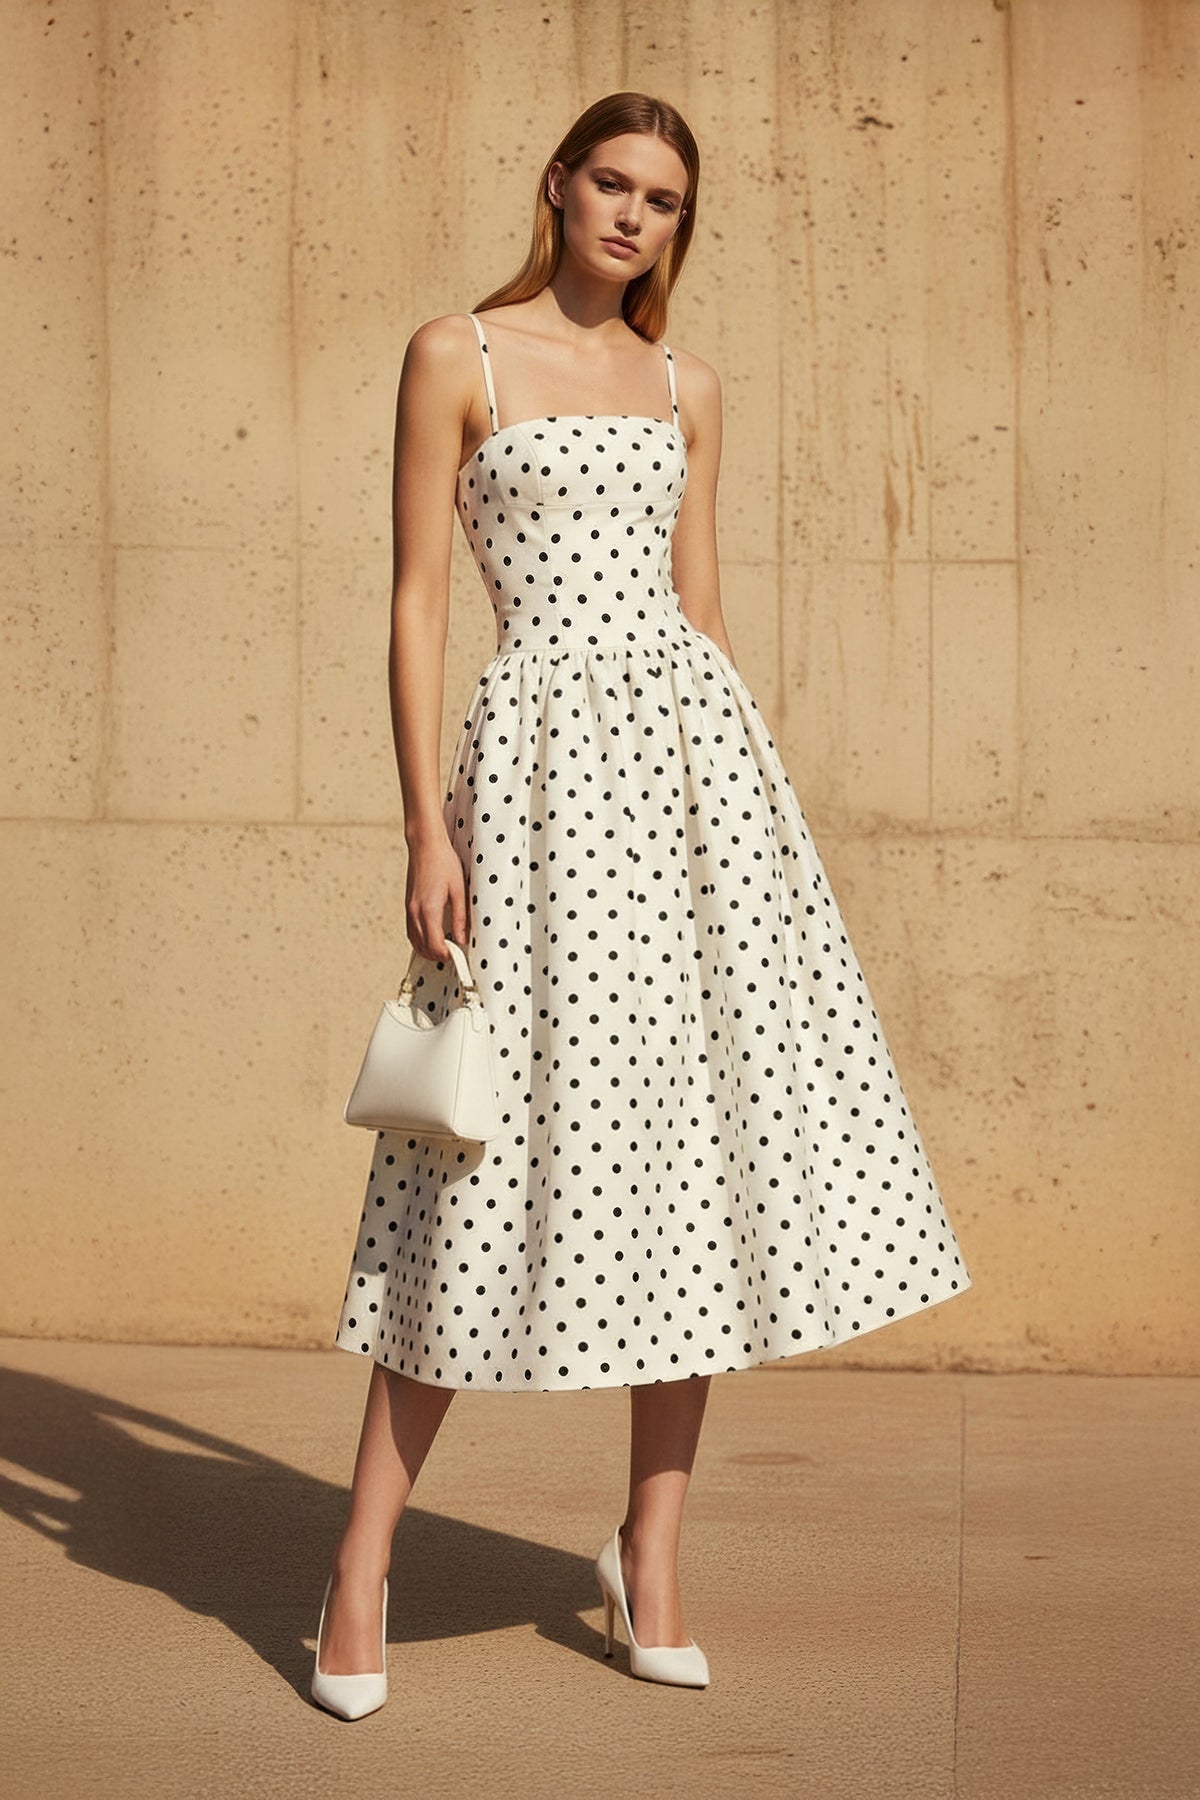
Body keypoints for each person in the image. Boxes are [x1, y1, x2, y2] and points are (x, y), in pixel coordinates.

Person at [310, 90, 973, 1720]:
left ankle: (650, 1560)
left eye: (663, 199)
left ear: (681, 223)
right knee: (471, 1171)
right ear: (559, 185)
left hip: (692, 797)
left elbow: (705, 612)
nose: (632, 216)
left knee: (694, 1162)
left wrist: (755, 830)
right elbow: (413, 599)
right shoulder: (455, 353)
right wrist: (423, 822)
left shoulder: (689, 387)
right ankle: (356, 1564)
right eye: (611, 182)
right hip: (530, 796)